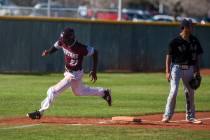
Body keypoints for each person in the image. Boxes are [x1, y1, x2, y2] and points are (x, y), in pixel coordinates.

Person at [27, 27, 112, 119]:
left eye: (65, 39)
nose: (63, 40)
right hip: (69, 72)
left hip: (74, 75)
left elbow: (95, 52)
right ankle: (104, 92)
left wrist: (94, 70)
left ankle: (40, 112)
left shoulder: (80, 47)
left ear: (70, 38)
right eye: (62, 38)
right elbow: (57, 45)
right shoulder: (63, 41)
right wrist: (48, 52)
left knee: (53, 91)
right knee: (79, 92)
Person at [162, 19, 203, 124]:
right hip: (176, 68)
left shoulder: (195, 40)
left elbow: (198, 57)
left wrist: (197, 71)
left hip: (189, 69)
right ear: (184, 27)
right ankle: (167, 115)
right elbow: (168, 57)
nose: (192, 27)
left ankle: (190, 117)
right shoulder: (175, 41)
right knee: (173, 91)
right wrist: (167, 71)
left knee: (190, 92)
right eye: (191, 26)